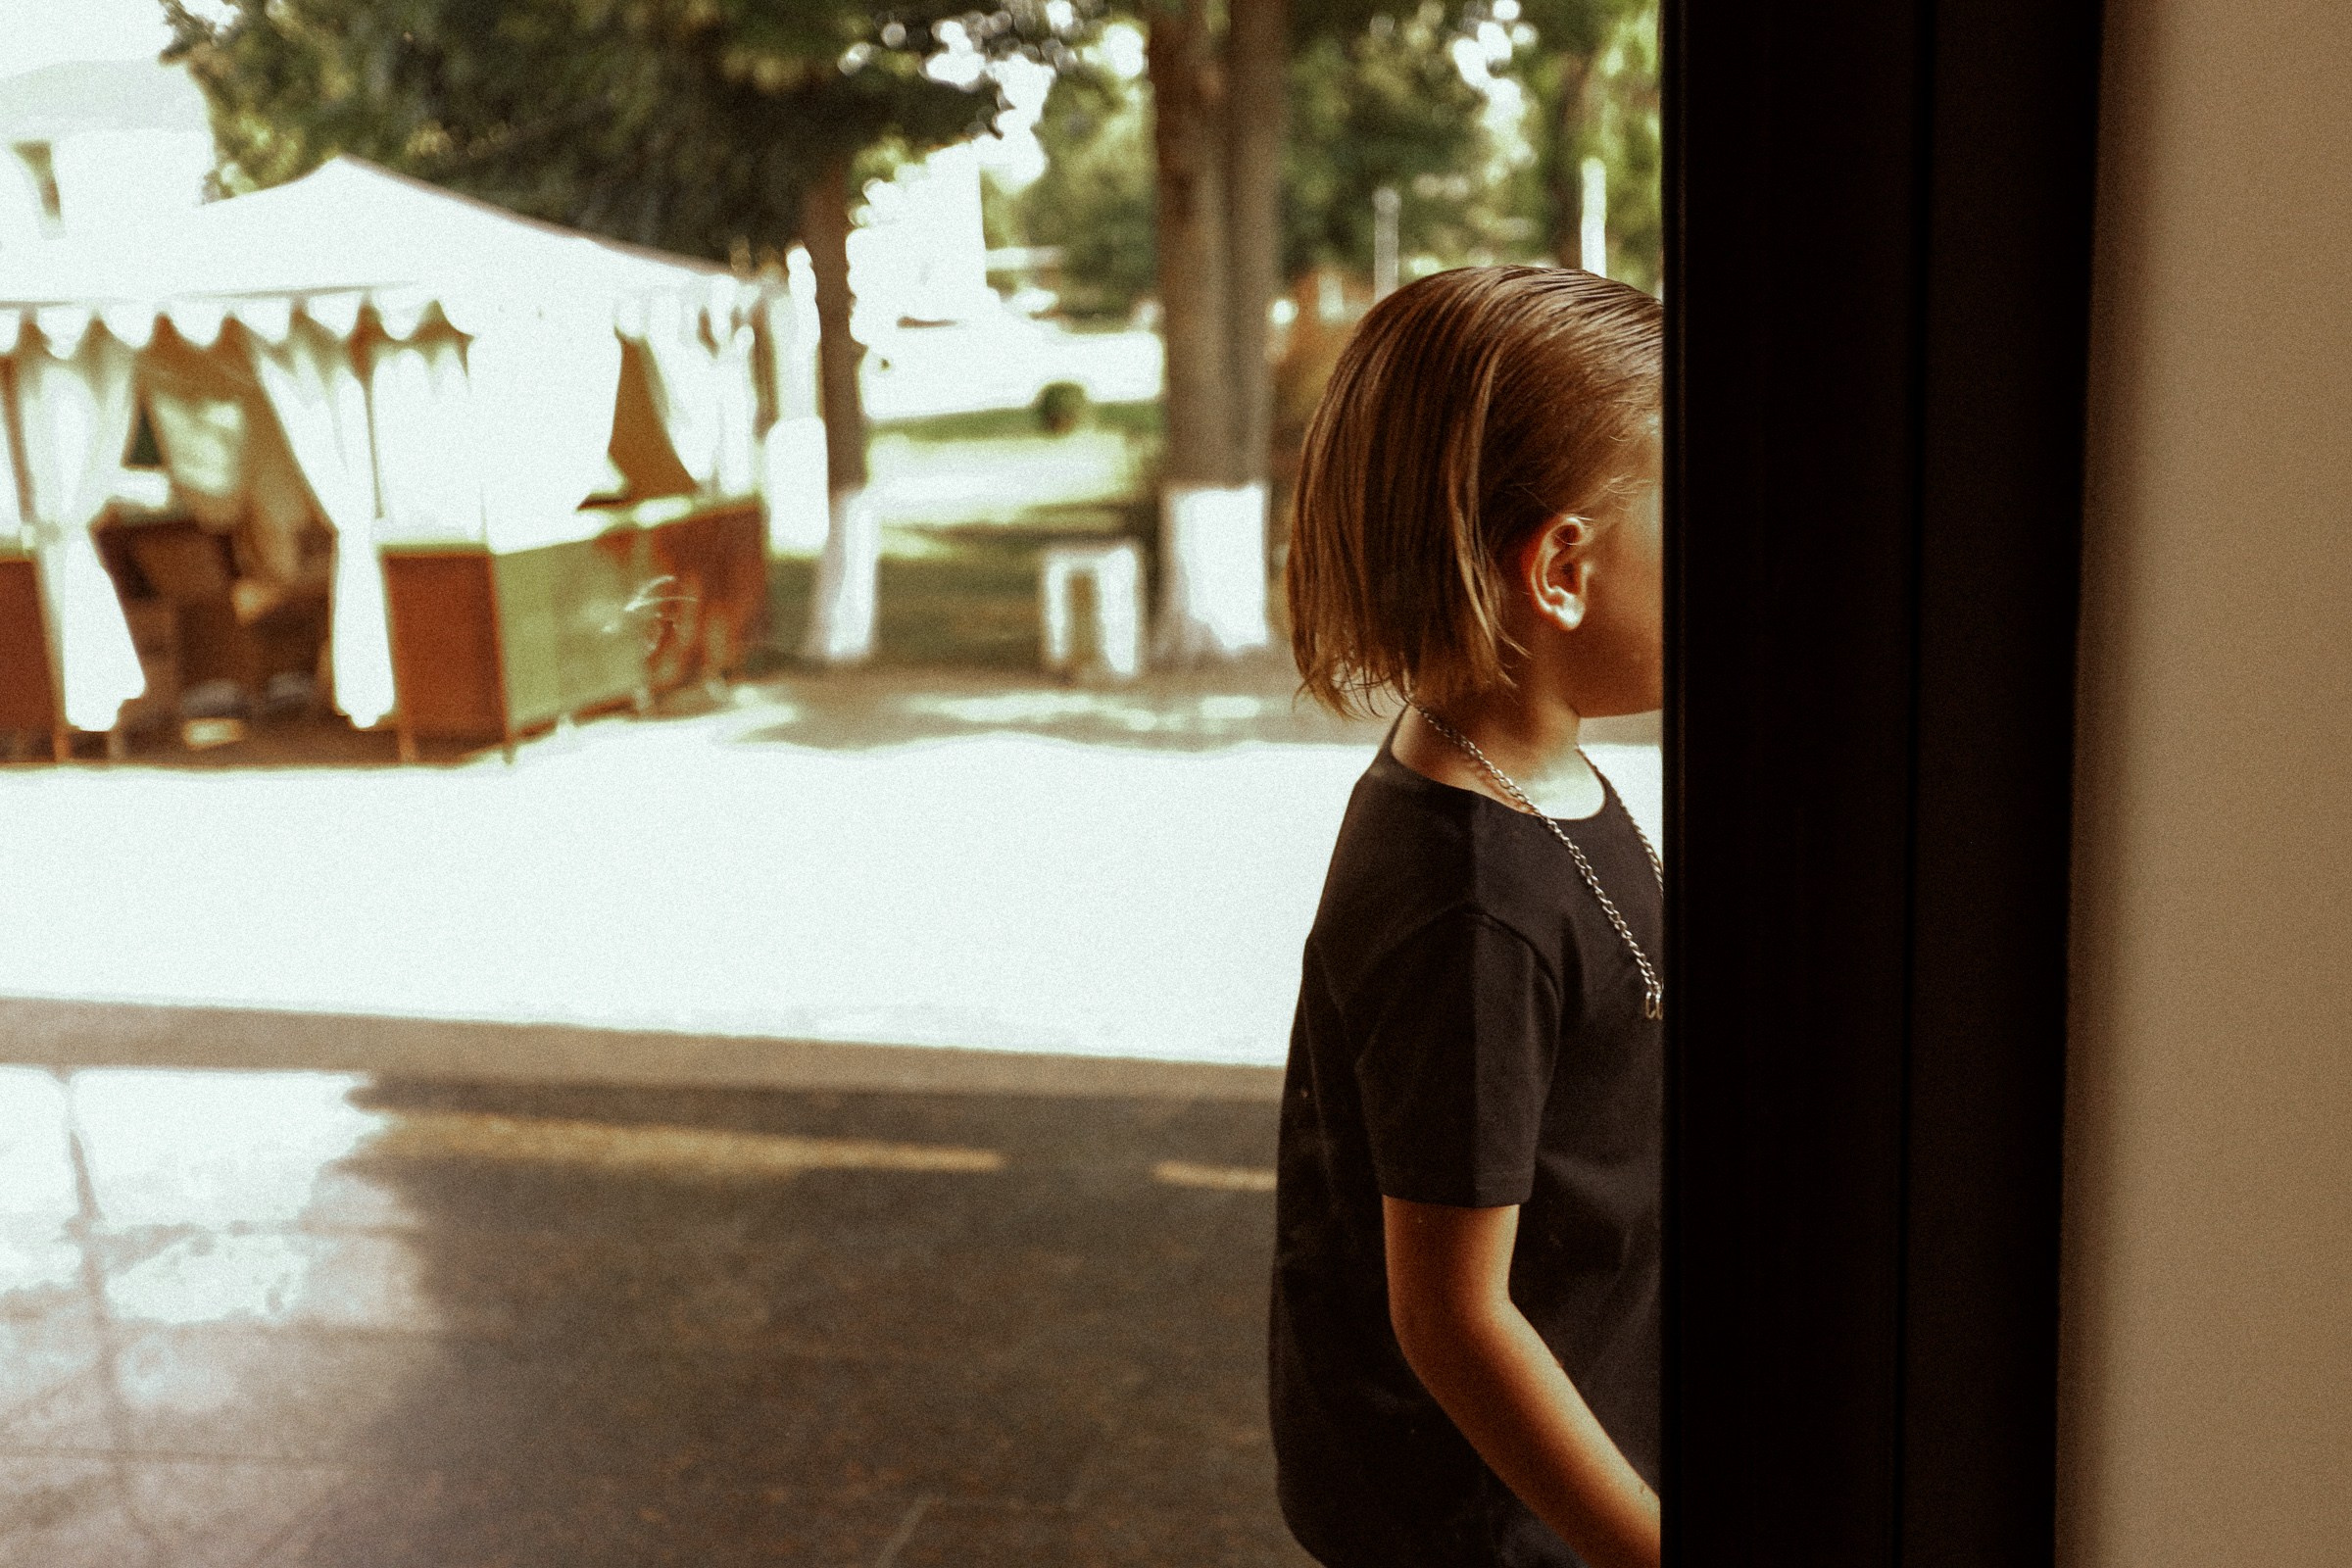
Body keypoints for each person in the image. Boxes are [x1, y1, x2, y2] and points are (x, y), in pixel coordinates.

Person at [1269, 265, 1665, 1568]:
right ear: (1561, 567)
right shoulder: (1474, 899)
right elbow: (1454, 1321)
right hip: (1495, 1525)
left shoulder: (1528, 778)